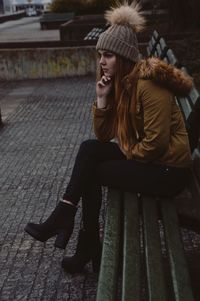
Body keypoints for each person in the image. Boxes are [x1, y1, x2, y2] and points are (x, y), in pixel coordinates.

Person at [24, 1, 193, 273]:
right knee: (89, 150)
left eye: (109, 55)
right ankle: (71, 221)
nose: (102, 61)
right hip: (149, 158)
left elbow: (156, 144)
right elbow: (102, 136)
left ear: (124, 57)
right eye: (100, 54)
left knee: (92, 170)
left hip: (168, 171)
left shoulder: (150, 85)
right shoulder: (123, 85)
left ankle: (81, 237)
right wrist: (102, 101)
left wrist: (126, 152)